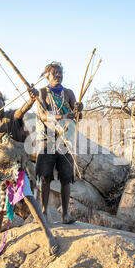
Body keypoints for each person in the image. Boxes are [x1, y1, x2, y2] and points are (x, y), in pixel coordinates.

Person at [0, 90, 58, 259]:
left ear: (3, 103)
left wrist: (32, 98)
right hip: (0, 168)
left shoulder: (12, 116)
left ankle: (48, 234)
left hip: (17, 167)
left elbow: (23, 110)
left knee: (28, 197)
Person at [29, 62, 83, 224]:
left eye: (60, 73)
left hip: (65, 140)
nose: (58, 76)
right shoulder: (42, 93)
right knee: (45, 177)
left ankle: (65, 214)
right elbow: (43, 116)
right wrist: (62, 117)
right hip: (47, 139)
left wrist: (80, 109)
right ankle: (44, 212)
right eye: (54, 74)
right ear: (47, 75)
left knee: (66, 178)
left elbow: (78, 117)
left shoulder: (68, 93)